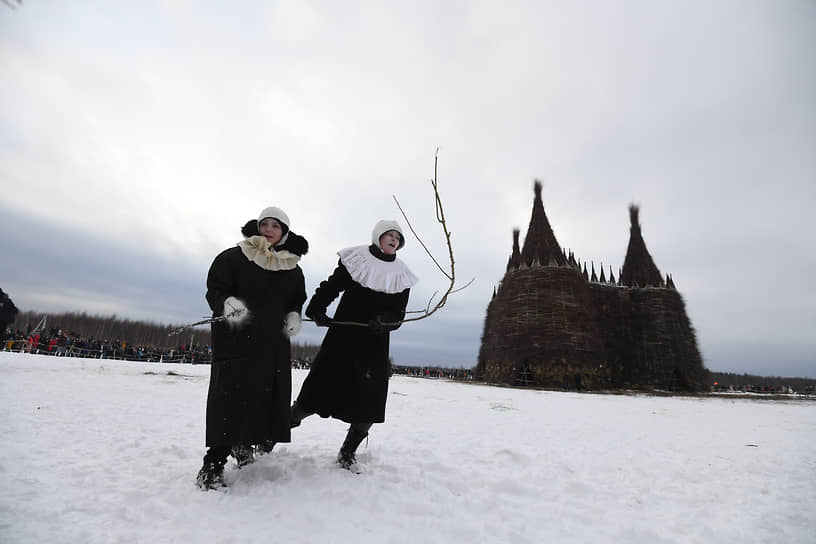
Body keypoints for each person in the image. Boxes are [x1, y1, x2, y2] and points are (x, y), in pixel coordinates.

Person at [291, 219, 418, 473]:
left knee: (369, 403)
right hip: (342, 339)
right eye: (389, 235)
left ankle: (348, 452)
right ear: (378, 237)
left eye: (397, 237)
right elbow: (331, 287)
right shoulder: (356, 259)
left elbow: (398, 313)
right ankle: (275, 432)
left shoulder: (401, 274)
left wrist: (386, 321)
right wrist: (317, 309)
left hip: (374, 345)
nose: (394, 239)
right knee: (315, 393)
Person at [196, 206, 308, 490]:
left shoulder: (292, 268)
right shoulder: (234, 257)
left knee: (264, 396)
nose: (268, 229)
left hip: (271, 344)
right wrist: (226, 304)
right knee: (230, 399)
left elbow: (296, 299)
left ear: (284, 232)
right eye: (264, 224)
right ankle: (213, 463)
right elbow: (215, 288)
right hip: (236, 340)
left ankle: (244, 444)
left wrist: (295, 314)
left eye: (275, 225)